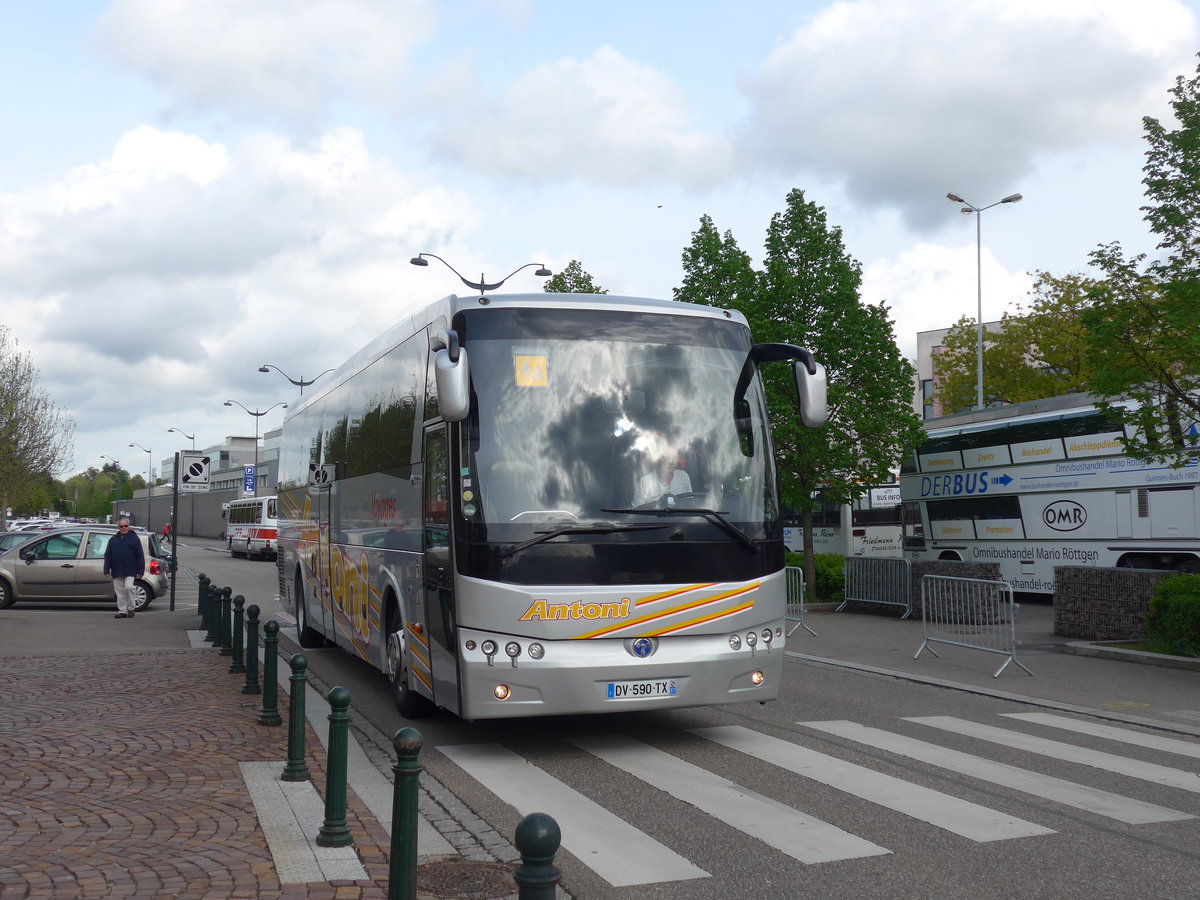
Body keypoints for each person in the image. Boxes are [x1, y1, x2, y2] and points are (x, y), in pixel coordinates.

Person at [104, 519, 145, 619]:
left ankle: (131, 608)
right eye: (121, 526)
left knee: (129, 587)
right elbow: (108, 555)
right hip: (116, 569)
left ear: (129, 526)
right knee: (119, 592)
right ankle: (122, 611)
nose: (123, 528)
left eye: (125, 526)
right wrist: (106, 569)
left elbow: (140, 555)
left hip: (130, 569)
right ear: (118, 527)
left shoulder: (134, 539)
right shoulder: (113, 539)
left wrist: (141, 570)